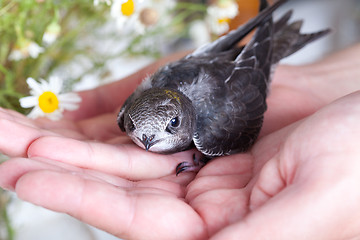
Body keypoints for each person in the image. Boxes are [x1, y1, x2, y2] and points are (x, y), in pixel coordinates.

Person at [0, 44, 360, 240]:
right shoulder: (130, 117)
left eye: (168, 127)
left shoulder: (213, 128)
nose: (146, 142)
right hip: (219, 62)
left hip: (241, 72)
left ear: (184, 120)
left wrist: (266, 47)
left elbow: (241, 77)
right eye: (137, 130)